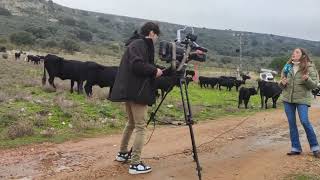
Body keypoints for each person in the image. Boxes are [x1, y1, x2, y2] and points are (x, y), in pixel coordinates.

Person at [109, 22, 163, 174]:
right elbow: (138, 66)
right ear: (152, 33)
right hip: (137, 92)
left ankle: (122, 153)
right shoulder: (140, 44)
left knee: (132, 123)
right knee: (140, 125)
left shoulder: (136, 44)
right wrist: (154, 71)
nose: (157, 39)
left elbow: (140, 65)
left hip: (131, 90)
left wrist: (158, 70)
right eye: (157, 35)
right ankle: (135, 164)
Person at [280, 48, 320, 158]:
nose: (294, 53)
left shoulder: (309, 67)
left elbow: (314, 85)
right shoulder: (287, 66)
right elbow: (281, 82)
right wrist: (282, 82)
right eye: (293, 52)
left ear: (303, 55)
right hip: (288, 99)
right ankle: (296, 148)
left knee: (304, 121)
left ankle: (316, 148)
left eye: (297, 52)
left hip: (302, 99)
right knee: (292, 123)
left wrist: (307, 79)